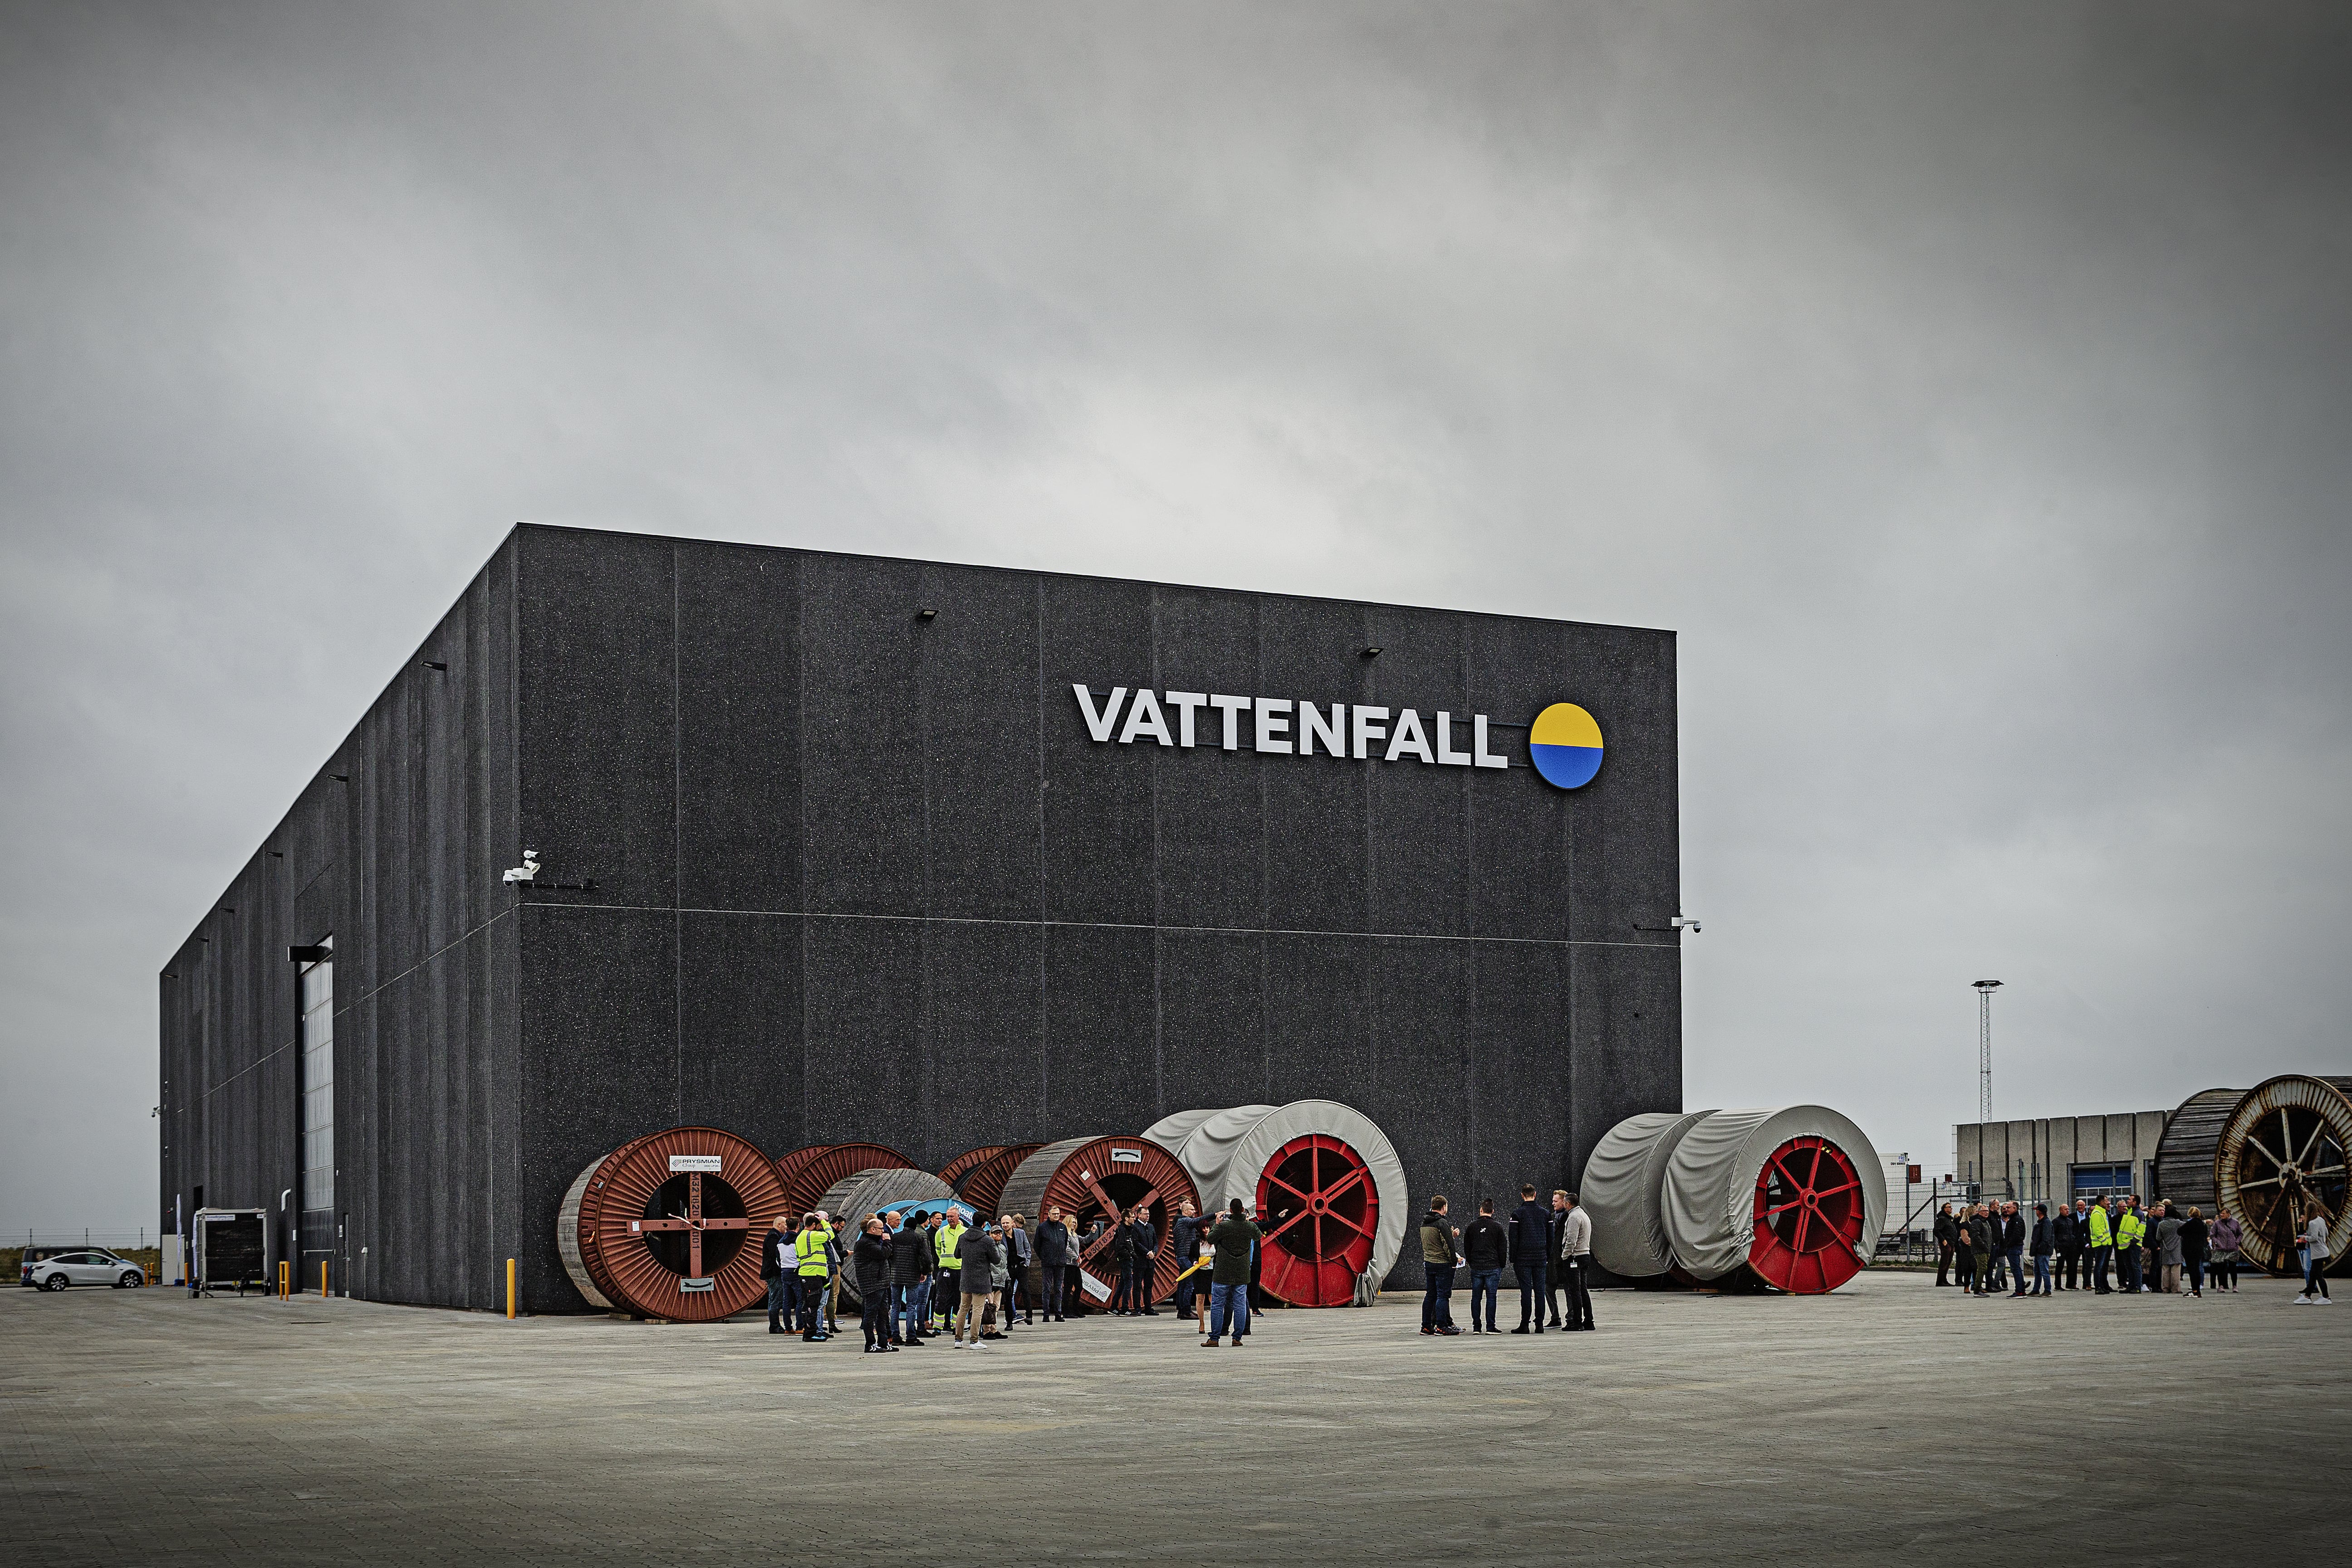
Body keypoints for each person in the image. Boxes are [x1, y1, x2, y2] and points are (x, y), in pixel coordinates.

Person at [1202, 1197, 1260, 1348]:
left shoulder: (1224, 1227)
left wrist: (1217, 1223)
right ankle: (1237, 1338)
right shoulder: (1250, 1227)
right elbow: (1259, 1236)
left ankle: (1215, 1338)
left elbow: (1210, 1238)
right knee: (1240, 1305)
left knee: (1217, 1305)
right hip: (1242, 1272)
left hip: (1223, 1271)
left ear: (1230, 1210)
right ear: (1242, 1210)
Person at [1508, 1185, 1553, 1333]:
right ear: (1535, 1194)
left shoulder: (1517, 1215)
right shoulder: (1546, 1214)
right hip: (1540, 1257)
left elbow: (1513, 1239)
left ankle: (1525, 1324)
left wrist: (1513, 1257)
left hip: (1523, 1258)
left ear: (1522, 1195)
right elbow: (1550, 1237)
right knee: (1540, 1290)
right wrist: (1548, 1254)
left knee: (1526, 1292)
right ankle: (1539, 1324)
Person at [949, 1216, 1000, 1346]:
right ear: (984, 1224)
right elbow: (996, 1260)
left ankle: (958, 1340)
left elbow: (957, 1255)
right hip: (981, 1280)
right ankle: (974, 1341)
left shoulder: (963, 1237)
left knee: (963, 1309)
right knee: (978, 1310)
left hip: (966, 1278)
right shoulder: (987, 1240)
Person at [1462, 1199, 1508, 1333]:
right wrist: (1501, 1264)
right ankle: (1490, 1327)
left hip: (1477, 1267)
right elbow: (1503, 1248)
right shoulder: (1498, 1227)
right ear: (1492, 1212)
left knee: (1476, 1297)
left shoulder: (1472, 1227)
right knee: (1491, 1297)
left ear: (1481, 1210)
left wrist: (1471, 1261)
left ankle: (1477, 1327)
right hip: (1493, 1266)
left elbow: (1467, 1247)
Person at [852, 1217, 896, 1352]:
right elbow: (884, 1254)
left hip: (881, 1283)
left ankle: (883, 1343)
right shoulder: (865, 1243)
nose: (883, 1231)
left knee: (883, 1314)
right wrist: (888, 1242)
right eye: (881, 1229)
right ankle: (870, 1344)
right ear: (872, 1229)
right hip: (872, 1284)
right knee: (871, 1314)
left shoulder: (873, 1242)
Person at [1420, 1196, 1462, 1336]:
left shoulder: (1424, 1224)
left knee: (1430, 1295)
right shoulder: (1442, 1223)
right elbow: (1448, 1246)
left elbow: (1434, 1242)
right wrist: (1454, 1262)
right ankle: (1442, 1326)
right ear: (1443, 1207)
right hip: (1442, 1265)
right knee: (1443, 1296)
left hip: (1429, 1263)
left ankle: (1426, 1327)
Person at [888, 1210, 930, 1346]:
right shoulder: (918, 1238)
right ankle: (911, 1337)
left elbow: (889, 1255)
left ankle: (895, 1336)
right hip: (913, 1277)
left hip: (896, 1276)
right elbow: (926, 1257)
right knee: (911, 1306)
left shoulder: (894, 1237)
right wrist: (924, 1272)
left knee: (895, 1306)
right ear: (914, 1227)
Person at [793, 1213, 833, 1341]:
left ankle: (811, 1331)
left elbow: (799, 1256)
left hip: (807, 1273)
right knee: (813, 1304)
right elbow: (830, 1235)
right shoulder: (812, 1235)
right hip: (813, 1274)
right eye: (819, 1225)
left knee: (809, 1304)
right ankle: (810, 1334)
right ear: (814, 1225)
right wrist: (825, 1223)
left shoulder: (800, 1237)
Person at [1557, 1191, 1594, 1329]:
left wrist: (1564, 1256)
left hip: (1575, 1257)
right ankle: (1589, 1321)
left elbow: (1571, 1240)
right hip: (1585, 1255)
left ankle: (1577, 1322)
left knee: (1575, 1290)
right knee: (1583, 1289)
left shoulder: (1573, 1217)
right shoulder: (1583, 1214)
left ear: (1568, 1204)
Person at [1034, 1206, 1071, 1321]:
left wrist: (1061, 1256)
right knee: (1046, 1288)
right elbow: (1037, 1245)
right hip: (1048, 1263)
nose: (1057, 1216)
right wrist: (1044, 1257)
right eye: (1054, 1214)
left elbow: (1064, 1243)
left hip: (1060, 1262)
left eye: (1058, 1214)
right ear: (1049, 1215)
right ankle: (1046, 1314)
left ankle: (1058, 1314)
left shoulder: (1063, 1228)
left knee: (1059, 1289)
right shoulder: (1042, 1228)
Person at [934, 1208, 967, 1329]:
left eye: (952, 1217)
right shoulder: (941, 1232)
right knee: (941, 1298)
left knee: (958, 1299)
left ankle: (956, 1325)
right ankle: (938, 1326)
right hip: (945, 1269)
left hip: (960, 1270)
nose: (949, 1219)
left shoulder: (965, 1232)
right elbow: (938, 1250)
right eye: (948, 1217)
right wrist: (946, 1261)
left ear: (958, 1217)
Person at [1171, 1200, 1204, 1323]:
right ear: (1185, 1211)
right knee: (1189, 1284)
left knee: (1184, 1283)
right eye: (1192, 1210)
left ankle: (1182, 1310)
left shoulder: (1179, 1222)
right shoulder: (1184, 1221)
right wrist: (1214, 1215)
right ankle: (1186, 1311)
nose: (1194, 1212)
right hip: (1185, 1256)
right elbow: (1199, 1221)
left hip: (1182, 1256)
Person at [762, 1213, 792, 1334]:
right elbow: (777, 1255)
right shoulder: (774, 1238)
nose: (787, 1227)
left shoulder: (774, 1236)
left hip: (773, 1273)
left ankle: (775, 1325)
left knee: (775, 1299)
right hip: (774, 1273)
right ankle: (775, 1326)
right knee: (776, 1299)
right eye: (785, 1224)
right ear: (779, 1225)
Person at [2297, 1205, 2332, 1304]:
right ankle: (2307, 1297)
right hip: (2323, 1250)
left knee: (2318, 1275)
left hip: (2318, 1253)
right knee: (2313, 1275)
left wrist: (2305, 1238)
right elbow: (2326, 1233)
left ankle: (2326, 1297)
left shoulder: (2312, 1223)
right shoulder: (2321, 1220)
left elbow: (2314, 1238)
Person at [1546, 1190, 1570, 1326]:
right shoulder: (1551, 1217)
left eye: (1556, 1201)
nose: (1553, 1203)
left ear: (1564, 1202)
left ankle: (1571, 1317)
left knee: (1569, 1289)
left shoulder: (1569, 1217)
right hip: (1553, 1259)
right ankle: (1555, 1317)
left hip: (1565, 1259)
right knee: (1548, 1288)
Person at [1131, 1206, 1160, 1315]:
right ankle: (1137, 1308)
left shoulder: (1151, 1227)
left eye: (1148, 1214)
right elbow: (1136, 1243)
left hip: (1150, 1262)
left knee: (1149, 1286)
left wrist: (1154, 1252)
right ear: (1139, 1215)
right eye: (1145, 1214)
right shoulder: (1135, 1227)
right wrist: (1147, 1253)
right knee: (1138, 1285)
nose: (1147, 1216)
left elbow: (1156, 1242)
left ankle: (1148, 1308)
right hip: (1139, 1261)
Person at [2115, 1198, 2146, 1295]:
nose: (2128, 1201)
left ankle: (2137, 1287)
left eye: (2130, 1200)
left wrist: (2135, 1240)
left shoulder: (2139, 1214)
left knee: (2135, 1266)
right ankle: (2131, 1286)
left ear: (2135, 1202)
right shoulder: (2128, 1213)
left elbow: (2141, 1229)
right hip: (2125, 1244)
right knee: (2128, 1266)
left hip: (2133, 1245)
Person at [2208, 1209, 2243, 1294]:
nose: (2222, 1215)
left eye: (2224, 1213)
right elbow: (2212, 1234)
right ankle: (2221, 1286)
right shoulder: (2217, 1223)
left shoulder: (2235, 1222)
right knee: (2221, 1268)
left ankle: (2235, 1286)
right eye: (2221, 1213)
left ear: (2229, 1214)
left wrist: (2237, 1242)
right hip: (2221, 1249)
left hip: (2233, 1249)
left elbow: (2240, 1234)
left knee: (2233, 1268)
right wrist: (2217, 1242)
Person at [2156, 1202, 2185, 1295]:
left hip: (2165, 1249)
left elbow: (2158, 1238)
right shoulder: (2179, 1223)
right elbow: (2187, 1227)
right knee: (2176, 1270)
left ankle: (2165, 1288)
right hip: (2176, 1249)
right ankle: (2175, 1289)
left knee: (2166, 1270)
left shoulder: (2161, 1224)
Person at [2052, 1201, 2082, 1291]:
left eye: (2068, 1209)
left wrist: (2074, 1242)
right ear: (2061, 1211)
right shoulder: (2056, 1222)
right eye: (2066, 1209)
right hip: (2061, 1247)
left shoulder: (2070, 1221)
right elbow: (2053, 1235)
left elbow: (2073, 1232)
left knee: (2072, 1266)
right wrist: (2056, 1246)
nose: (2068, 1211)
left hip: (2071, 1247)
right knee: (2060, 1266)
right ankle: (2058, 1286)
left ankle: (2070, 1284)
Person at [1999, 1202, 2027, 1298]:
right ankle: (2021, 1290)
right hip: (2013, 1247)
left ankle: (2020, 1291)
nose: (2006, 1209)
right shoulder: (2013, 1219)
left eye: (2009, 1208)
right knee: (2016, 1269)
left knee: (2016, 1269)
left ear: (2015, 1209)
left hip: (2014, 1247)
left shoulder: (2017, 1220)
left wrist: (2008, 1245)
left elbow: (2017, 1235)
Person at [2087, 1197, 2114, 1294]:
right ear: (2101, 1202)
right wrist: (2104, 1241)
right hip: (2100, 1244)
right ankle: (2098, 1287)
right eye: (2107, 1201)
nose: (2109, 1203)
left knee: (2102, 1266)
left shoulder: (2102, 1212)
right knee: (2099, 1266)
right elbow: (2098, 1230)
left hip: (2104, 1244)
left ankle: (2102, 1286)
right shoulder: (2097, 1214)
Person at [2180, 1205, 2209, 1299]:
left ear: (2190, 1214)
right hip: (2199, 1250)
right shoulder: (2202, 1224)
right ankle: (2198, 1290)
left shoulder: (2190, 1223)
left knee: (2192, 1271)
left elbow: (2179, 1231)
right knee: (2197, 1269)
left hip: (2189, 1250)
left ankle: (2195, 1291)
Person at [2027, 1204, 2053, 1297]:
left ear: (2039, 1212)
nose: (2036, 1212)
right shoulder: (2040, 1222)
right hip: (2038, 1252)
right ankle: (2036, 1289)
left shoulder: (2046, 1223)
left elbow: (2046, 1239)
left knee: (2044, 1271)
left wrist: (2040, 1249)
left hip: (2043, 1252)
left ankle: (2047, 1289)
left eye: (2037, 1210)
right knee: (2037, 1271)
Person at [1933, 1203, 1957, 1287]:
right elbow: (1936, 1231)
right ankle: (1940, 1281)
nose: (1951, 1208)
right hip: (1946, 1244)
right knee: (1944, 1262)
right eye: (1949, 1207)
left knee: (1948, 1262)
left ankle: (1944, 1280)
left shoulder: (1948, 1219)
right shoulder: (1942, 1219)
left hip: (1951, 1243)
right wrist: (1944, 1241)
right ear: (1945, 1209)